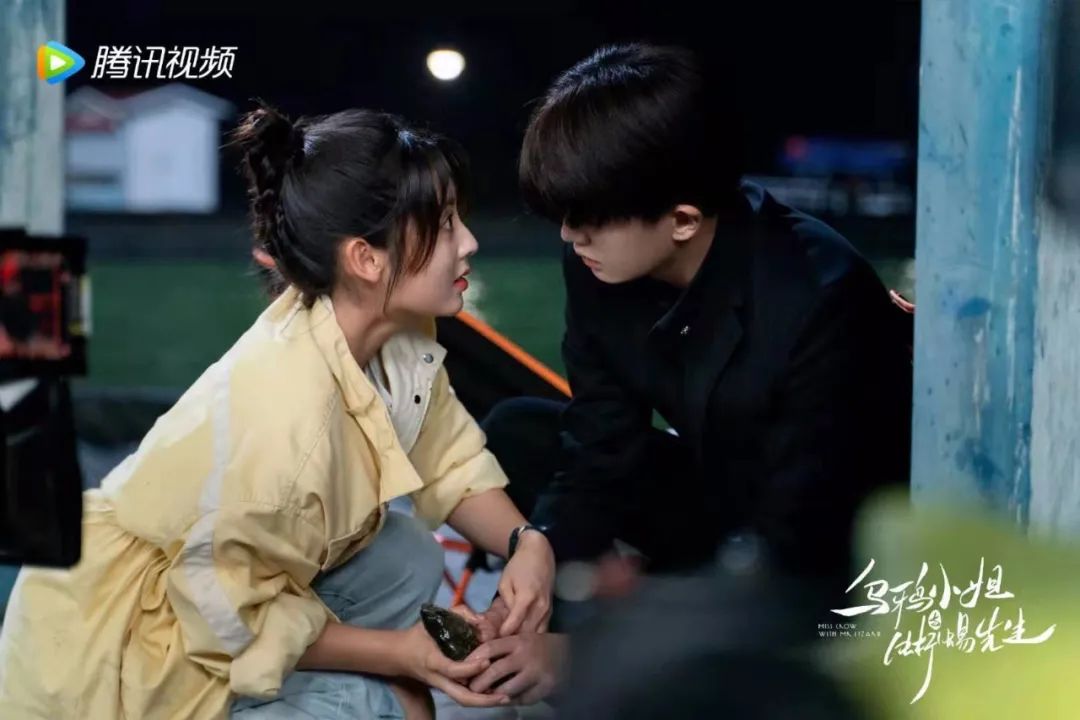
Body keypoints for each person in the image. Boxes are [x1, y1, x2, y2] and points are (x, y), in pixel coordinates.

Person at [0, 102, 555, 720]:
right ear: (366, 259)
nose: (469, 242)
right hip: (123, 654)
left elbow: (447, 454)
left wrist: (526, 544)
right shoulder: (289, 426)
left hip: (215, 586)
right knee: (394, 706)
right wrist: (402, 657)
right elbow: (227, 621)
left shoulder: (390, 335)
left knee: (408, 556)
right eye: (445, 224)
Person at [463, 42, 913, 701]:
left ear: (682, 220)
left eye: (587, 221)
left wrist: (591, 648)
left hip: (827, 561)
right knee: (519, 431)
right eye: (566, 216)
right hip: (718, 493)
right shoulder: (600, 254)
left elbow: (809, 540)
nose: (568, 236)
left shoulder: (821, 296)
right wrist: (540, 555)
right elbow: (600, 443)